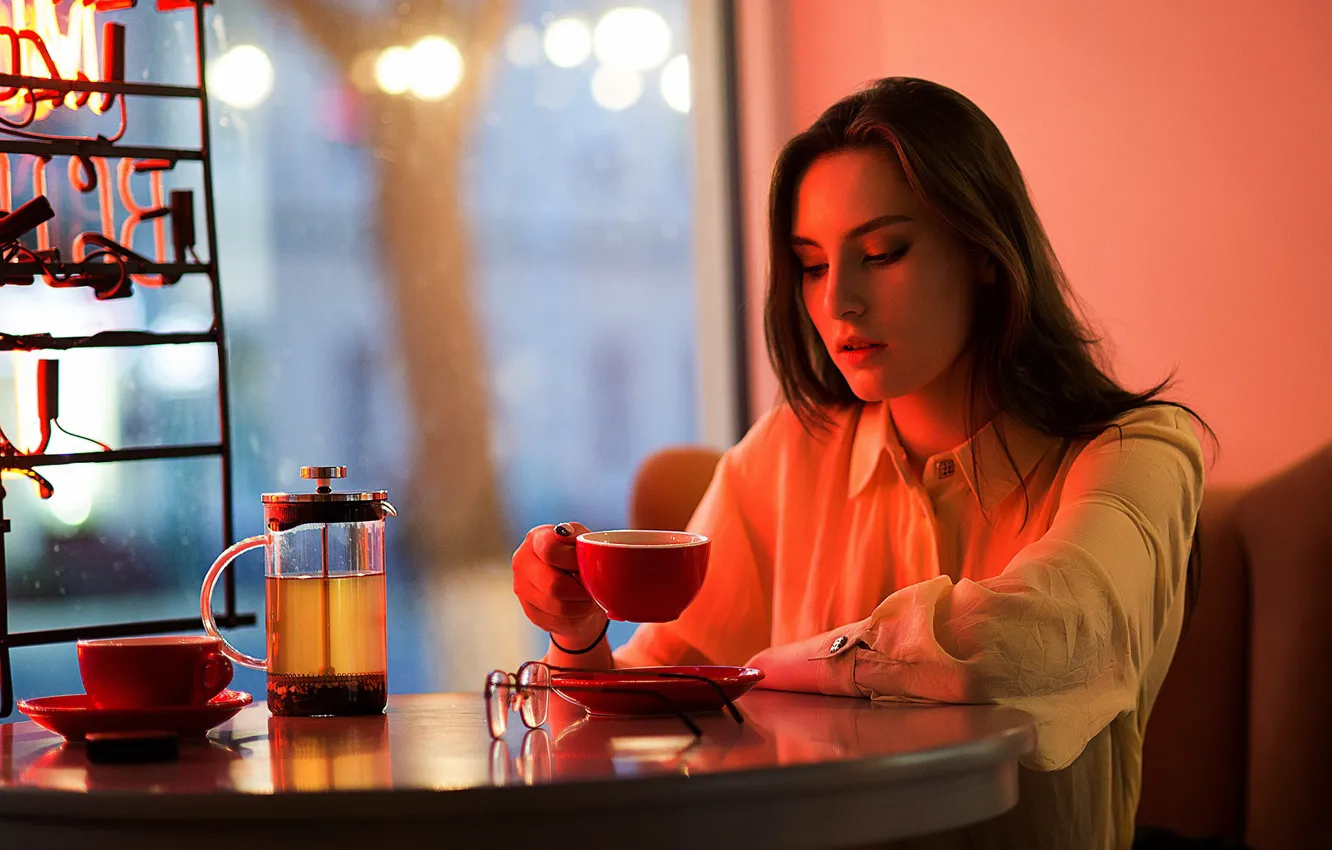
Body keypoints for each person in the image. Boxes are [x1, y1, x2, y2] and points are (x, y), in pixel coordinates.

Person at [509, 77, 1208, 849]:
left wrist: (787, 667)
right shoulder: (785, 454)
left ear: (983, 251)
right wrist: (576, 632)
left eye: (882, 253)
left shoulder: (1135, 450)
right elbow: (643, 714)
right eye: (811, 265)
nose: (839, 300)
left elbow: (1029, 644)